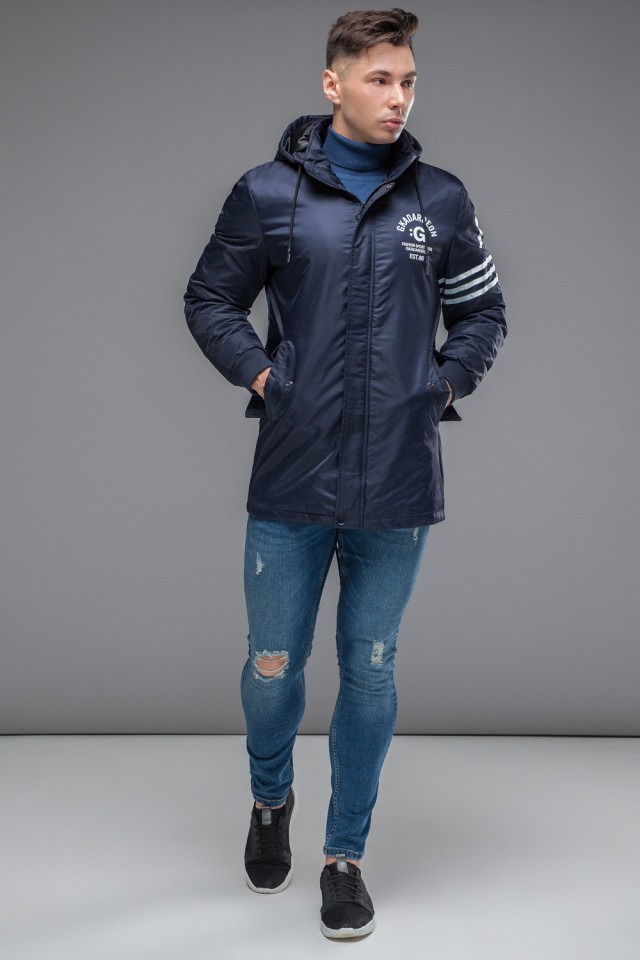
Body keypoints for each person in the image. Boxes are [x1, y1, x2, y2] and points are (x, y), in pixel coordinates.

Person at [184, 7, 506, 939]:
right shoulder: (265, 192)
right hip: (292, 477)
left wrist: (442, 385)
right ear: (334, 84)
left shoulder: (441, 200)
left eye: (409, 81)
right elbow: (209, 299)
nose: (399, 97)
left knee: (369, 670)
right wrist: (265, 377)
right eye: (380, 79)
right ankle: (270, 798)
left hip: (397, 483)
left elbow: (484, 314)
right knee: (272, 666)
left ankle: (344, 858)